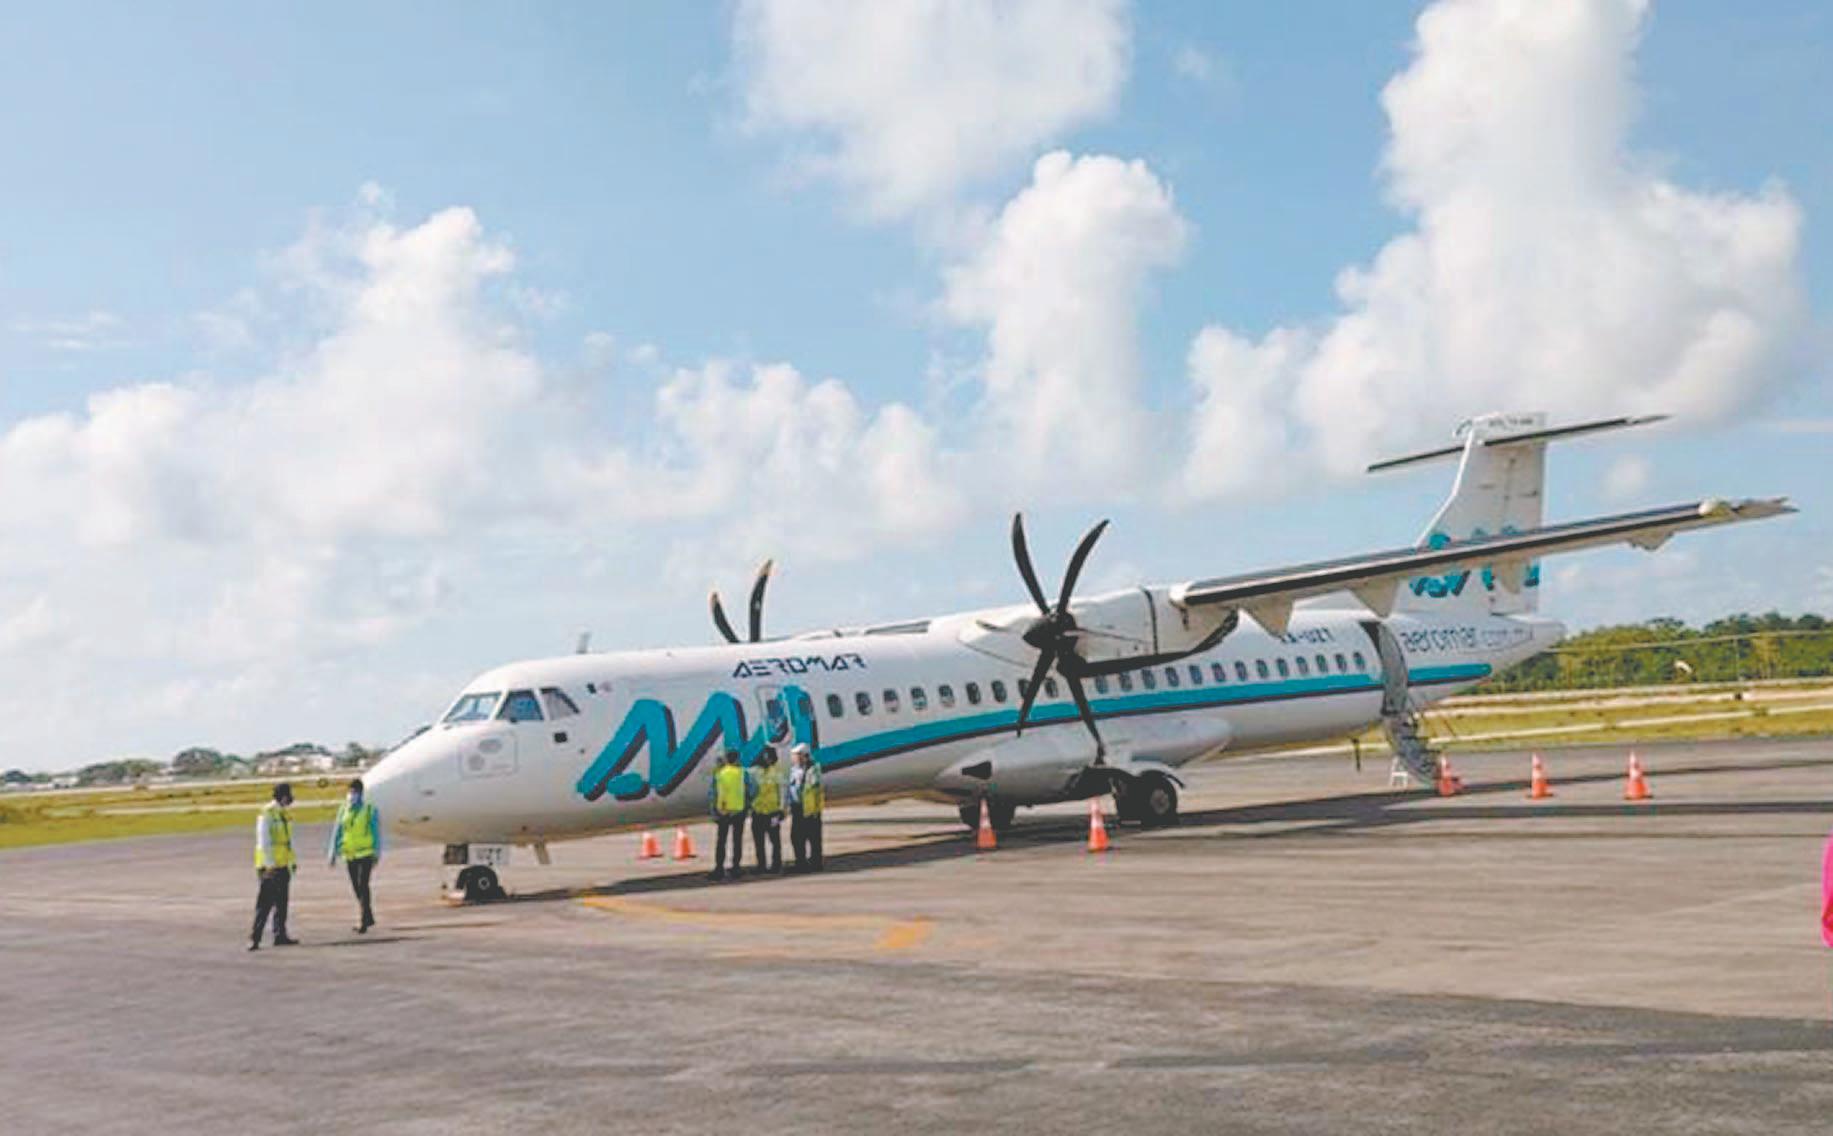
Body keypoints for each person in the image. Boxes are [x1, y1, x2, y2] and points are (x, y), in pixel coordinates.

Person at [326, 777, 381, 933]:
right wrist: (332, 852)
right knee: (356, 887)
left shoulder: (369, 810)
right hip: (349, 854)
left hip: (365, 853)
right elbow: (338, 831)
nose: (352, 795)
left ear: (361, 793)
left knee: (363, 885)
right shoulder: (344, 809)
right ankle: (368, 915)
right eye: (350, 792)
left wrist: (377, 852)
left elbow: (376, 833)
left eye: (355, 792)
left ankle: (363, 921)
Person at [250, 782, 299, 950]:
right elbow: (264, 841)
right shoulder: (267, 813)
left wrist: (292, 862)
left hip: (283, 864)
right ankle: (255, 938)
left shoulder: (283, 814)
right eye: (289, 795)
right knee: (265, 904)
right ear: (283, 796)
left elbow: (288, 841)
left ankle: (280, 935)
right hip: (270, 867)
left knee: (282, 902)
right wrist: (269, 864)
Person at [706, 750, 751, 881]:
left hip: (723, 812)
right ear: (737, 759)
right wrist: (746, 803)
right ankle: (736, 867)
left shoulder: (720, 774)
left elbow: (713, 794)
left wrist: (714, 811)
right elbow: (753, 789)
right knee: (737, 841)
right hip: (738, 811)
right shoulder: (743, 773)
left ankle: (719, 868)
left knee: (721, 841)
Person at [748, 747, 787, 874]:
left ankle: (776, 864)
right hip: (758, 812)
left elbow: (782, 791)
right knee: (759, 842)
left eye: (769, 757)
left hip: (772, 813)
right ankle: (761, 865)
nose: (767, 759)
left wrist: (782, 809)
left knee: (775, 842)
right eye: (765, 757)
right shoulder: (753, 772)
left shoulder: (777, 772)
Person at [788, 743, 824, 873]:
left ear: (805, 756)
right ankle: (801, 863)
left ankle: (816, 863)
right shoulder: (794, 770)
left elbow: (816, 791)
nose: (794, 758)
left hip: (810, 809)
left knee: (813, 838)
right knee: (797, 837)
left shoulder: (813, 770)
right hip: (797, 808)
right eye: (793, 756)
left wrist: (816, 810)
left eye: (797, 756)